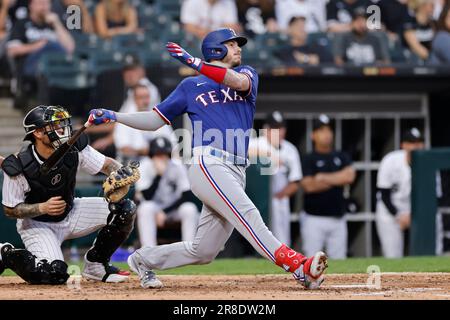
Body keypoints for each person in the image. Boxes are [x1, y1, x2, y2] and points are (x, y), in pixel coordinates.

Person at [87, 28, 328, 290]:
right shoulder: (190, 85)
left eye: (238, 45)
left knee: (204, 251)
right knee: (248, 216)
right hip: (208, 164)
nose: (238, 48)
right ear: (216, 49)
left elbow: (237, 83)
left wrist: (193, 62)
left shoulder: (247, 73)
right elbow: (155, 119)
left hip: (236, 168)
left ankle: (143, 259)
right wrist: (115, 115)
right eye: (232, 44)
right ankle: (299, 266)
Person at [0, 105, 137, 284]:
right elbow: (10, 209)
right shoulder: (18, 165)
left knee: (125, 210)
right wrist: (42, 207)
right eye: (55, 126)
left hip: (71, 211)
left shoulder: (74, 147)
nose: (62, 129)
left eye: (62, 124)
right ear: (38, 133)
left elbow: (106, 165)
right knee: (54, 274)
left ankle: (96, 266)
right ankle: (6, 253)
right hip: (37, 225)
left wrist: (119, 172)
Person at [300, 114, 355, 259]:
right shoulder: (309, 158)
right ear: (313, 135)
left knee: (339, 260)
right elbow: (309, 186)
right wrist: (338, 178)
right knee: (311, 260)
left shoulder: (341, 156)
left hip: (338, 217)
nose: (326, 134)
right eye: (321, 131)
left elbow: (349, 176)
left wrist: (323, 177)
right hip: (314, 218)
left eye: (328, 130)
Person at [248, 111, 302, 246]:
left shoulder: (290, 149)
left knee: (281, 238)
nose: (279, 131)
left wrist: (280, 196)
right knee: (255, 236)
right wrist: (267, 155)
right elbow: (239, 152)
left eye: (281, 127)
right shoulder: (256, 143)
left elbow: (296, 180)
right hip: (255, 198)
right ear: (266, 129)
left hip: (278, 199)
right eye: (274, 128)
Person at [135, 137, 199, 248]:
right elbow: (146, 196)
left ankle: (189, 250)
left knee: (190, 209)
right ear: (151, 155)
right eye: (158, 154)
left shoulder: (177, 166)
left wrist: (165, 212)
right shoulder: (144, 166)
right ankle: (149, 251)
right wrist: (159, 175)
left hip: (174, 208)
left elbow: (187, 195)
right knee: (145, 208)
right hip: (154, 207)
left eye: (164, 153)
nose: (161, 157)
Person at [376, 127, 425, 258]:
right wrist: (399, 215)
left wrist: (412, 215)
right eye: (412, 142)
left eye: (419, 142)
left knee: (424, 255)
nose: (416, 146)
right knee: (393, 255)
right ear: (404, 145)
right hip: (390, 212)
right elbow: (384, 195)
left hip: (416, 211)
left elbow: (431, 196)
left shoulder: (427, 162)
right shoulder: (390, 161)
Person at [114, 84, 175, 164]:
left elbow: (173, 145)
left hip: (159, 164)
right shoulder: (124, 119)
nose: (145, 101)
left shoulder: (159, 117)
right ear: (134, 99)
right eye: (141, 97)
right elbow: (124, 149)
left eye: (147, 97)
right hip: (132, 165)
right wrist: (151, 150)